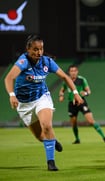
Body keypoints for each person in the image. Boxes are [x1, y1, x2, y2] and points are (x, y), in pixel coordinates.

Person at [4, 34, 84, 171]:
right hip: (24, 105)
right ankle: (53, 141)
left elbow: (65, 77)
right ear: (28, 49)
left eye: (41, 49)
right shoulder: (23, 61)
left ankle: (51, 163)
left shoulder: (47, 62)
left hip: (42, 98)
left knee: (46, 126)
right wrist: (12, 95)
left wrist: (75, 93)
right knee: (41, 137)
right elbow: (9, 78)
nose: (39, 52)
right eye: (35, 49)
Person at [59, 64, 105, 144]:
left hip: (81, 102)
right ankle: (77, 139)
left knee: (91, 120)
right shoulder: (67, 81)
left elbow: (89, 91)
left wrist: (85, 93)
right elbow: (62, 90)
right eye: (71, 71)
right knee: (74, 123)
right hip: (72, 104)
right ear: (69, 72)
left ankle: (104, 137)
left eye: (75, 71)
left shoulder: (82, 80)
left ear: (77, 72)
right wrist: (61, 96)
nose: (73, 73)